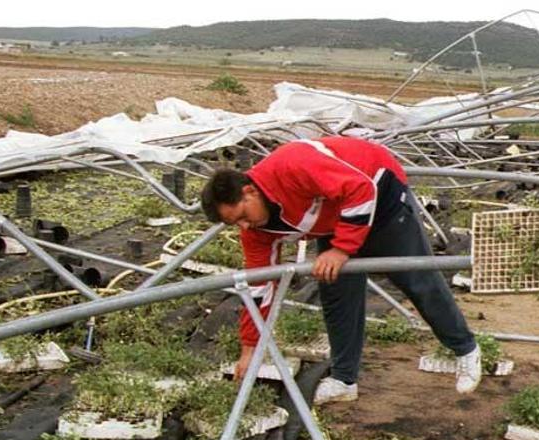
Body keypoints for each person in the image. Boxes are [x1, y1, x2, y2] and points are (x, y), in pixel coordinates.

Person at [201, 136, 482, 404]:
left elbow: (361, 189)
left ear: (249, 191)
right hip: (337, 216)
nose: (244, 227)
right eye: (235, 224)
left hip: (379, 192)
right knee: (336, 291)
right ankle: (344, 380)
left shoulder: (292, 164)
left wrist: (341, 249)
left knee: (415, 277)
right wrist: (250, 348)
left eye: (242, 217)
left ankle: (466, 350)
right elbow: (259, 287)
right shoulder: (256, 231)